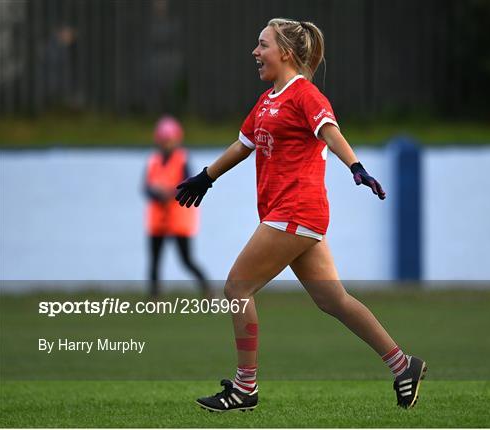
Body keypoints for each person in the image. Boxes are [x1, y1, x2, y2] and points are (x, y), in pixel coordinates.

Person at [176, 18, 426, 411]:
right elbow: (242, 147)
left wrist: (355, 167)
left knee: (237, 288)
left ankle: (245, 388)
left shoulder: (305, 95)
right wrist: (206, 178)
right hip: (291, 215)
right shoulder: (266, 101)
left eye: (262, 45)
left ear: (286, 53)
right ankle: (402, 364)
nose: (255, 53)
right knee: (333, 300)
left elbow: (330, 131)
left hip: (296, 210)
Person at [144, 116, 211, 298]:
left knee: (186, 260)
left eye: (170, 139)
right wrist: (155, 192)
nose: (166, 143)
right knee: (154, 262)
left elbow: (188, 184)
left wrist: (168, 193)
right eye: (164, 139)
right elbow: (146, 188)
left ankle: (208, 290)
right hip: (158, 220)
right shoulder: (153, 161)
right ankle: (154, 299)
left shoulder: (182, 160)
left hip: (178, 219)